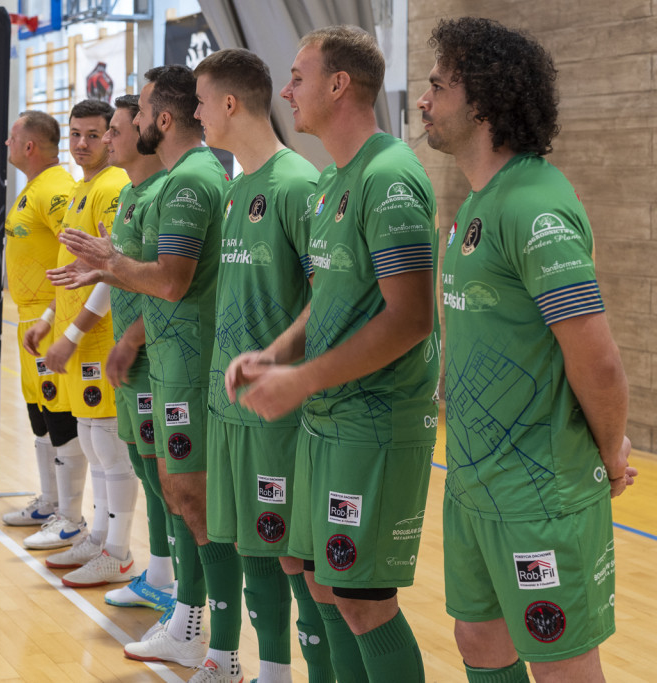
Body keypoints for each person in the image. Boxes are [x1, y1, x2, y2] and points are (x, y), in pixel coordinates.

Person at [417, 17, 637, 683]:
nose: (423, 99)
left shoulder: (536, 206)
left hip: (542, 490)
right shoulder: (477, 207)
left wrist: (611, 446)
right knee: (479, 636)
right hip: (474, 482)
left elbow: (595, 357)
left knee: (563, 664)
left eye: (437, 85)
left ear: (480, 100)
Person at [225, 26, 438, 682]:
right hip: (327, 416)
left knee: (364, 600)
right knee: (322, 585)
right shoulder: (330, 184)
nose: (286, 90)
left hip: (375, 423)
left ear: (338, 84)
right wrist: (276, 353)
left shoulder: (391, 175)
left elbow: (410, 317)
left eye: (297, 76)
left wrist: (301, 378)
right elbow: (328, 295)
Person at [51, 65, 230, 670]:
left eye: (132, 115)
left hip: (184, 363)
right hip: (161, 358)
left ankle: (210, 634)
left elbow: (173, 282)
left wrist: (108, 274)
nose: (101, 139)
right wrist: (105, 271)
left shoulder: (188, 182)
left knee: (194, 500)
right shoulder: (154, 186)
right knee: (173, 491)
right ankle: (184, 612)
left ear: (160, 118)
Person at [192, 47, 335, 683]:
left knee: (292, 555)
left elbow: (328, 300)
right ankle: (264, 670)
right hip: (230, 405)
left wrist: (286, 372)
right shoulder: (237, 188)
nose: (196, 114)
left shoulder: (298, 185)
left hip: (279, 413)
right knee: (252, 546)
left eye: (200, 102)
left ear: (228, 103)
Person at [24, 99, 138, 588]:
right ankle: (96, 536)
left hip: (99, 339)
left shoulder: (112, 186)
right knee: (93, 444)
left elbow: (112, 271)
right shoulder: (81, 188)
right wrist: (52, 318)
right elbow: (74, 268)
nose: (83, 144)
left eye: (95, 134)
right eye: (76, 134)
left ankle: (118, 550)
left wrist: (70, 336)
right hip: (76, 337)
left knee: (109, 449)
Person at [95, 94, 178, 612]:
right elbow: (124, 273)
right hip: (132, 357)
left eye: (117, 128)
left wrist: (132, 339)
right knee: (148, 471)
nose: (106, 138)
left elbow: (175, 285)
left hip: (156, 359)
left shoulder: (164, 194)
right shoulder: (130, 196)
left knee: (168, 476)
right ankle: (161, 572)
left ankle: (176, 589)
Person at [0, 111, 82, 536]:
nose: (7, 144)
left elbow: (78, 253)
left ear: (29, 146)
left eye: (12, 138)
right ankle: (49, 502)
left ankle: (69, 518)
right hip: (28, 321)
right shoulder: (32, 189)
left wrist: (57, 313)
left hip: (50, 319)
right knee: (39, 414)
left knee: (60, 415)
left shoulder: (56, 191)